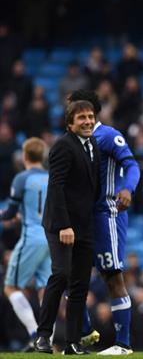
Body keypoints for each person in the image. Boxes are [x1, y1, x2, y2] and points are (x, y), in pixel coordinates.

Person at [66, 89, 141, 355]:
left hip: (106, 215)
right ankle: (84, 333)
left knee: (111, 276)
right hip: (81, 218)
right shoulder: (75, 140)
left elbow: (132, 165)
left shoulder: (108, 136)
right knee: (71, 277)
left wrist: (128, 189)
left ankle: (123, 344)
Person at [35, 100, 101, 355]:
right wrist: (64, 225)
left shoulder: (91, 144)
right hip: (61, 225)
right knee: (61, 275)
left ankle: (72, 343)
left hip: (84, 226)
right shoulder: (63, 146)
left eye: (90, 116)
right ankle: (43, 336)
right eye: (82, 117)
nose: (87, 121)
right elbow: (56, 187)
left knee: (80, 285)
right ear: (70, 123)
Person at [2, 137, 50, 351]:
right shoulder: (52, 178)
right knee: (45, 290)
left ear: (25, 156)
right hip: (52, 237)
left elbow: (11, 211)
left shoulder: (22, 178)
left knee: (11, 287)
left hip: (32, 237)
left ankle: (34, 334)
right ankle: (47, 340)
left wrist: (4, 215)